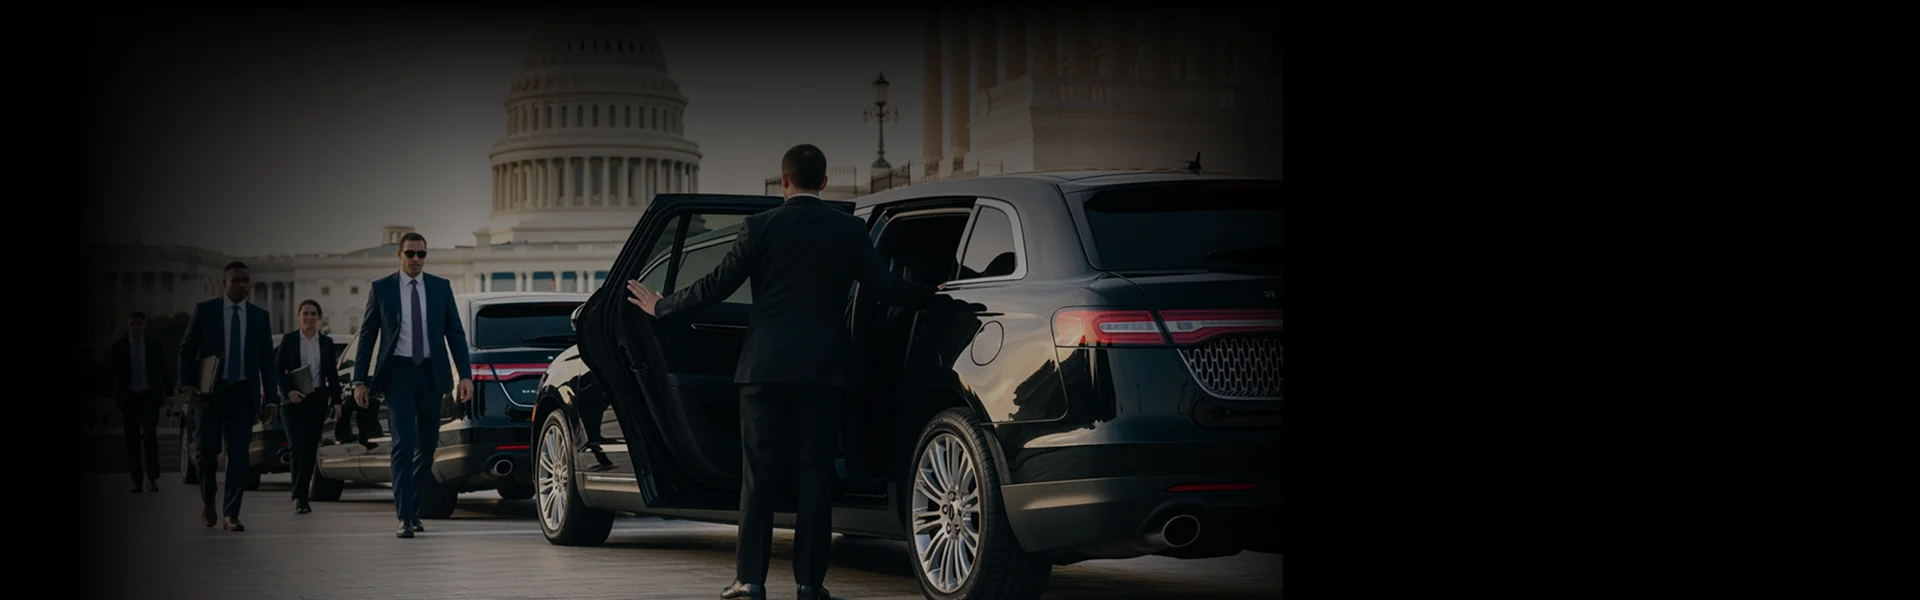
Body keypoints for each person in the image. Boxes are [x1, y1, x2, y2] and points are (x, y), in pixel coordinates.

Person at [627, 143, 939, 600]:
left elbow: (716, 285)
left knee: (760, 476)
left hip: (764, 370)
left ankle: (749, 580)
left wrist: (664, 306)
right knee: (815, 478)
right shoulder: (849, 230)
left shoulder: (760, 228)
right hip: (822, 372)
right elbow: (888, 288)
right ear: (825, 182)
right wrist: (934, 292)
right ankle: (810, 584)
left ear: (784, 180)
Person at [351, 232, 472, 538]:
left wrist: (466, 375)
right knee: (404, 443)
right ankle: (405, 515)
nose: (416, 260)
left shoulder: (440, 287)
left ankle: (413, 506)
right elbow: (367, 337)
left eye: (421, 255)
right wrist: (359, 380)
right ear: (399, 255)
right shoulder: (382, 289)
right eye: (411, 254)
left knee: (428, 447)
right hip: (398, 375)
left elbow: (455, 333)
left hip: (432, 375)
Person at [177, 262, 278, 531]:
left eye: (246, 280)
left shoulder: (259, 316)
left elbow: (267, 360)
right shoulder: (205, 311)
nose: (243, 285)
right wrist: (187, 384)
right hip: (210, 394)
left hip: (243, 395)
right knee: (206, 454)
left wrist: (271, 399)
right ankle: (208, 500)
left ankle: (231, 513)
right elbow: (187, 350)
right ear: (225, 283)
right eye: (236, 280)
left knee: (239, 456)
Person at [277, 300, 339, 514]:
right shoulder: (290, 340)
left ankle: (301, 494)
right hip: (293, 401)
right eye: (305, 313)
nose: (309, 317)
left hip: (316, 400)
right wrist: (288, 392)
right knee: (297, 447)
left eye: (313, 314)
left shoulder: (326, 342)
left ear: (319, 317)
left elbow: (332, 374)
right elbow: (277, 371)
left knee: (311, 448)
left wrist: (337, 401)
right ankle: (300, 496)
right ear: (298, 316)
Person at [109, 311, 171, 493]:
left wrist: (170, 395)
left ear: (145, 326)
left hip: (149, 396)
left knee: (150, 436)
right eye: (133, 324)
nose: (136, 327)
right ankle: (136, 479)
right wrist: (107, 398)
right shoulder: (119, 347)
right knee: (132, 440)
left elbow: (164, 371)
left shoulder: (153, 346)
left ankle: (152, 478)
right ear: (128, 326)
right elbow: (111, 374)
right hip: (129, 398)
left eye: (139, 324)